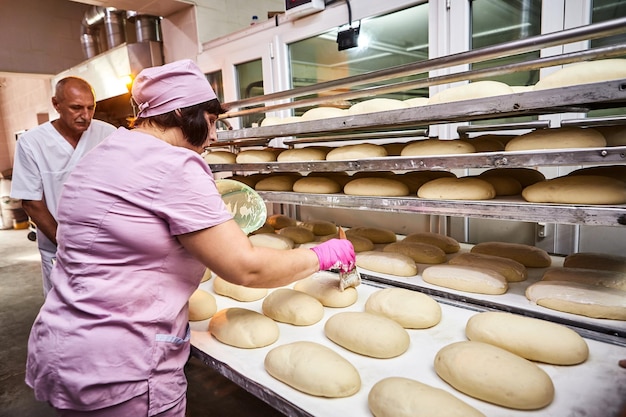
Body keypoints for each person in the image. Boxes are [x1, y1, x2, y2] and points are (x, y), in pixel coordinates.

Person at [25, 59, 355, 417]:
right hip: (123, 363)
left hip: (64, 342)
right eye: (211, 121)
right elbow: (247, 269)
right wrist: (323, 254)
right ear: (181, 112)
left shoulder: (101, 155)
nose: (213, 136)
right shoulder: (176, 165)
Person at [10, 76, 116, 295]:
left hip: (107, 245)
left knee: (109, 308)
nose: (85, 116)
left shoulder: (108, 134)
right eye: (76, 108)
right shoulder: (32, 143)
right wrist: (68, 246)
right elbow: (31, 202)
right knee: (67, 313)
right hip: (59, 248)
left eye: (90, 107)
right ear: (56, 104)